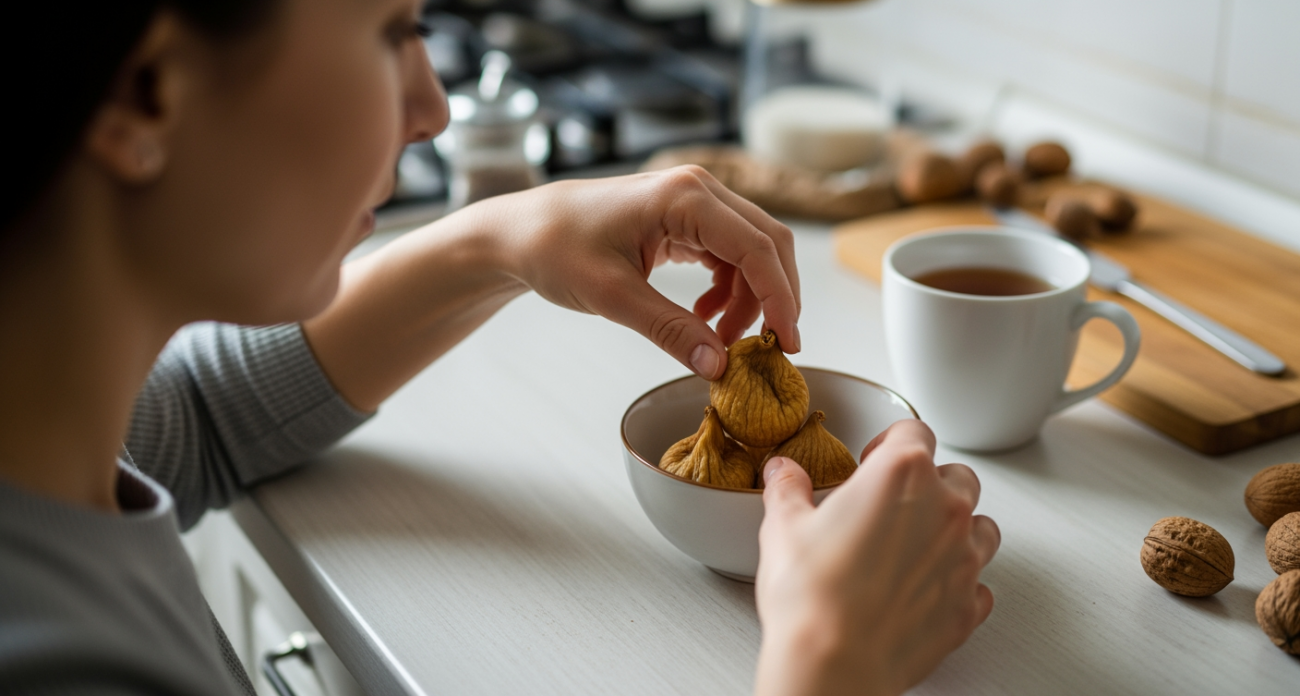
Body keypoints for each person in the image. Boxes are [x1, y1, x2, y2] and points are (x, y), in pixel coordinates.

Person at [0, 0, 1000, 693]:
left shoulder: (48, 434)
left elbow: (198, 423)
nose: (432, 108)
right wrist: (828, 668)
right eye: (393, 31)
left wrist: (504, 237)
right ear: (145, 90)